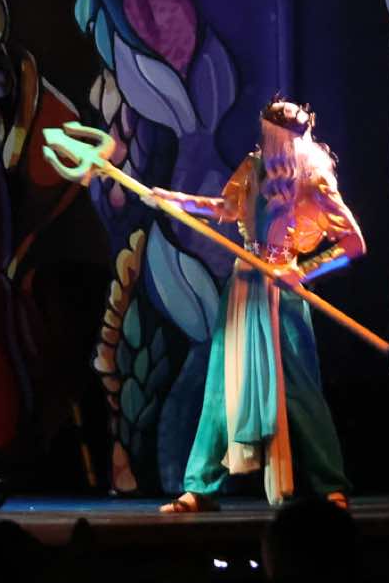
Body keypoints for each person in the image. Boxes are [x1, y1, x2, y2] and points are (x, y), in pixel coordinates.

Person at [147, 97, 366, 513]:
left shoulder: (315, 180)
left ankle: (330, 485)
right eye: (267, 137)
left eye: (276, 139)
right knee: (222, 386)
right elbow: (226, 208)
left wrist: (303, 272)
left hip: (283, 293)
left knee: (299, 390)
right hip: (245, 286)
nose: (270, 146)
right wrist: (174, 200)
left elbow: (353, 243)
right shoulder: (253, 167)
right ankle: (200, 487)